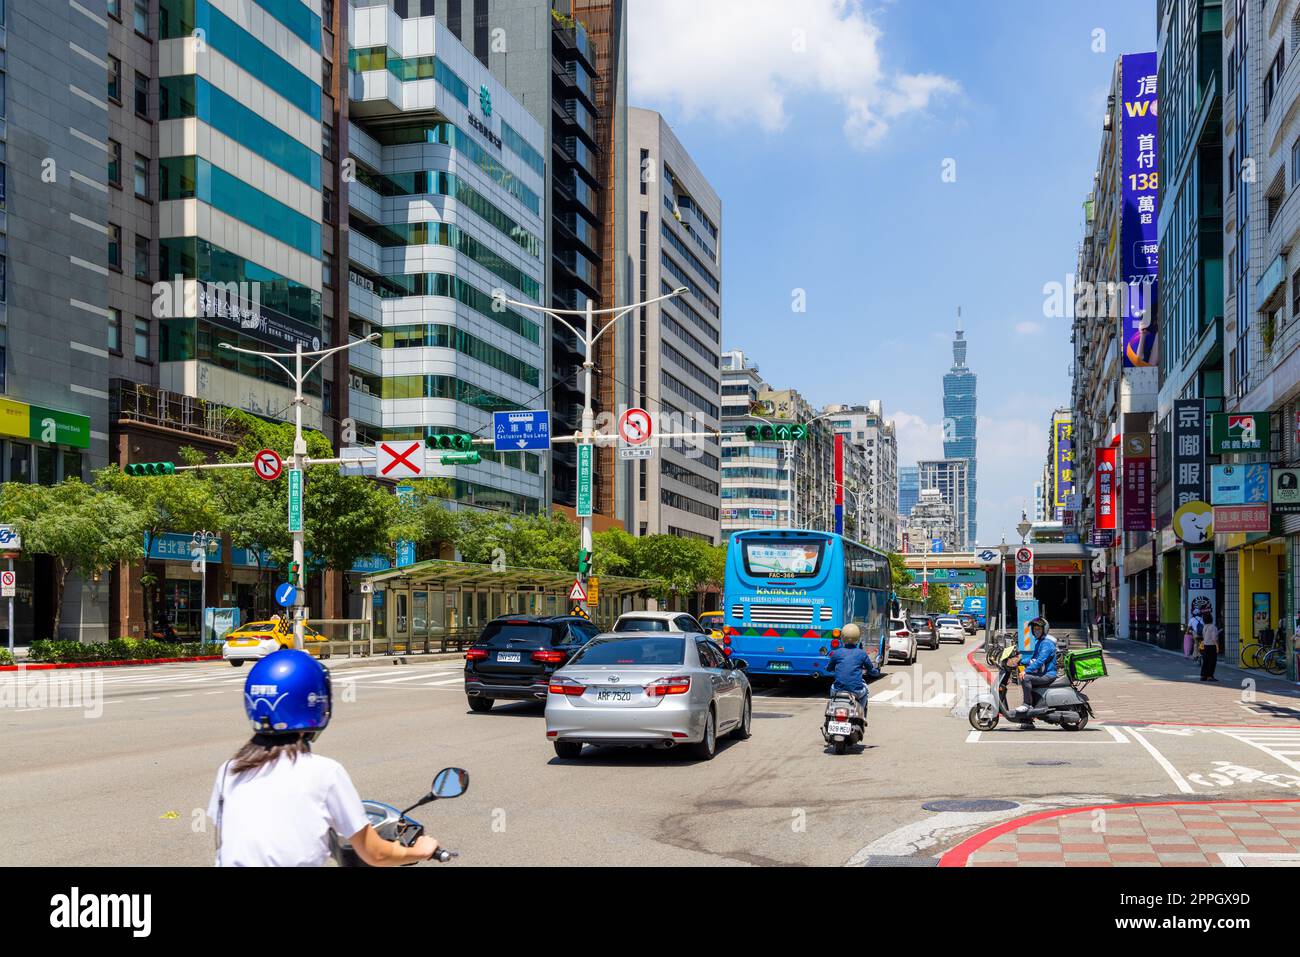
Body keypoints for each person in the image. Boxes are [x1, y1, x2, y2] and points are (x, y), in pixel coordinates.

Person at [208, 648, 439, 866]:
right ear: (314, 702)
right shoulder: (325, 773)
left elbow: (232, 840)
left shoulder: (229, 770)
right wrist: (419, 850)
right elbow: (375, 853)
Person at [826, 623, 879, 714]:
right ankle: (861, 713)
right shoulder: (861, 653)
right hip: (856, 691)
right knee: (865, 690)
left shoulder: (837, 653)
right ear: (858, 638)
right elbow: (871, 670)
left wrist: (828, 668)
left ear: (842, 637)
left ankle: (830, 714)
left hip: (838, 690)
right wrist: (876, 672)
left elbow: (829, 668)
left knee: (832, 688)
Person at [1015, 616, 1058, 715]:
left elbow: (1039, 661)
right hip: (1043, 673)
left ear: (1044, 629)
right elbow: (1033, 659)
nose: (1036, 631)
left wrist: (1026, 671)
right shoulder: (1040, 642)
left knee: (1026, 678)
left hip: (1048, 674)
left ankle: (1026, 704)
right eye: (1034, 629)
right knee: (1026, 677)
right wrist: (1020, 660)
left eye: (1039, 629)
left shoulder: (1046, 643)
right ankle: (1028, 718)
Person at [1199, 610, 1219, 681]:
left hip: (1205, 646)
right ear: (1211, 618)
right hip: (1212, 646)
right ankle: (1210, 676)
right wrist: (1217, 646)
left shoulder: (1204, 627)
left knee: (1205, 661)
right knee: (1212, 661)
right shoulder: (1213, 627)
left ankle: (1203, 676)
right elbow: (1214, 638)